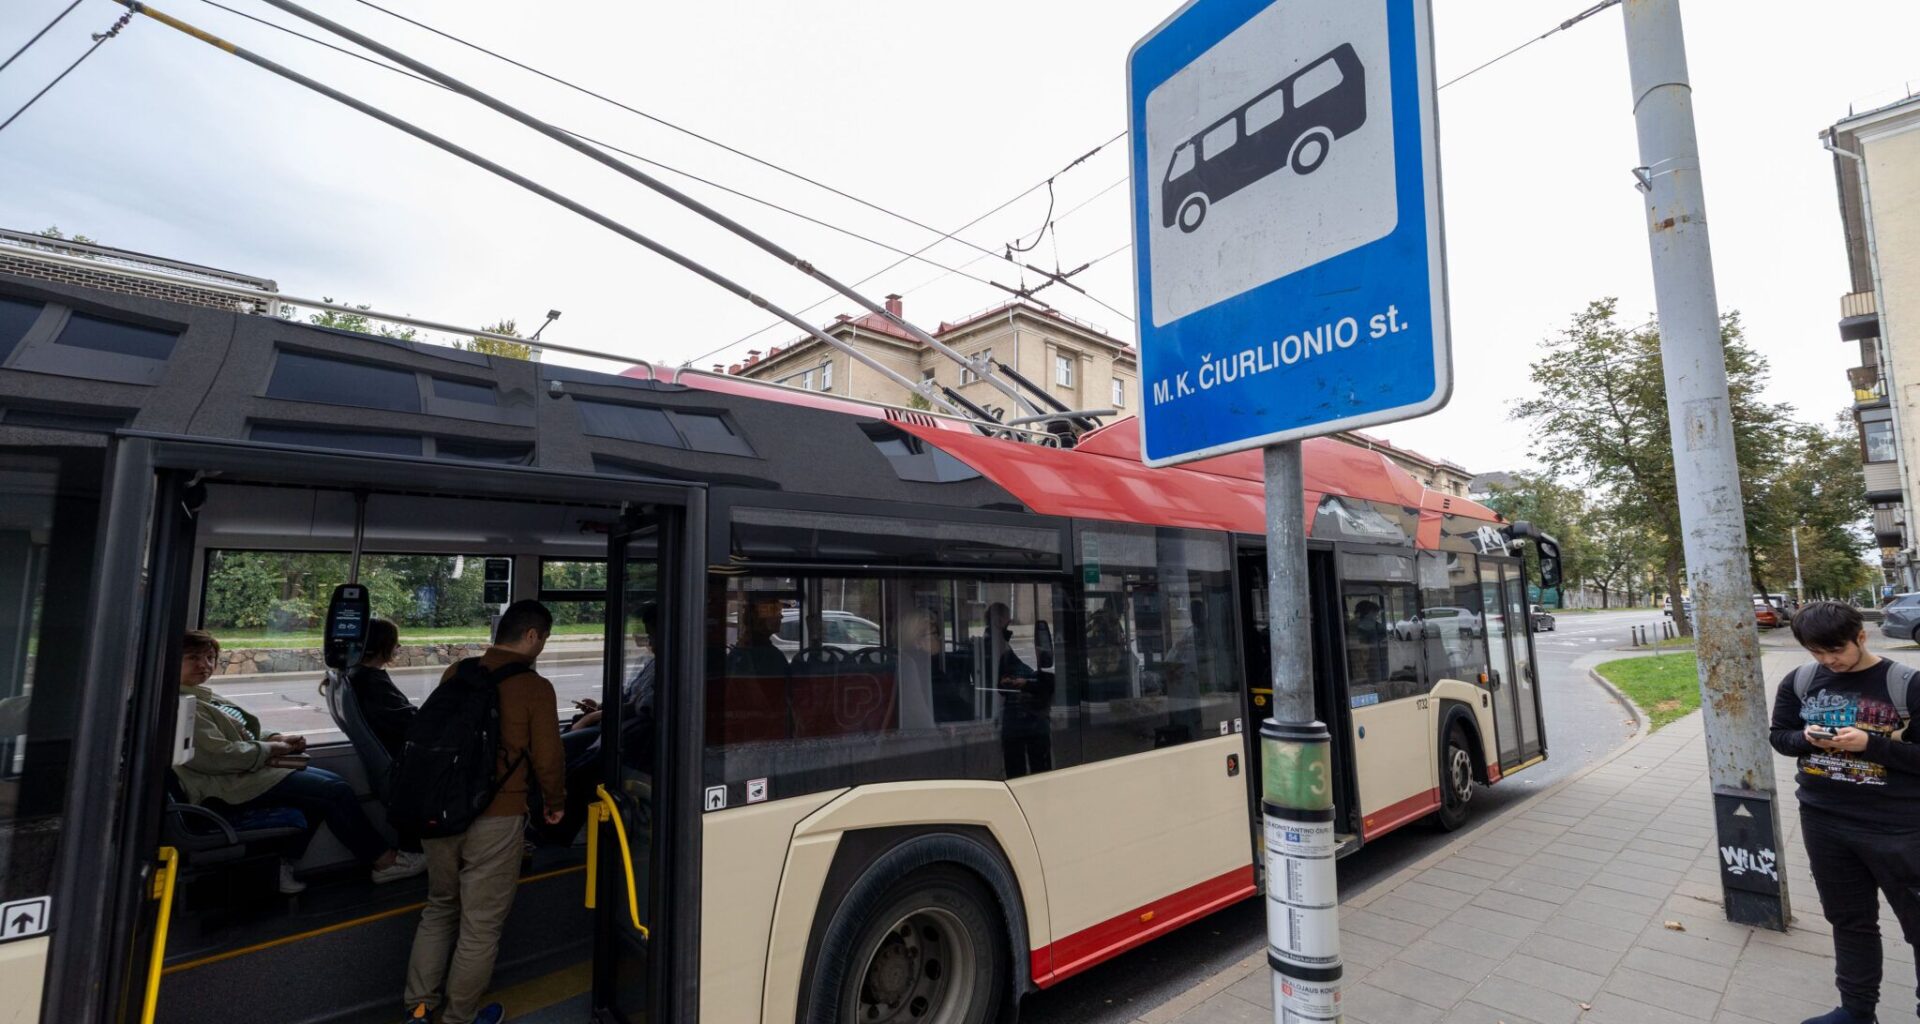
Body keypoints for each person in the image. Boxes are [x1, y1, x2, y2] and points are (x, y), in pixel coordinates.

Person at [403, 601, 566, 1024]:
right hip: (497, 815)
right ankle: (460, 1018)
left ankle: (419, 1009)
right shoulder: (534, 687)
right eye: (543, 639)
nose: (542, 647)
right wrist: (555, 802)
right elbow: (548, 758)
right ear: (532, 636)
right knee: (480, 926)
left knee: (439, 907)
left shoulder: (457, 672)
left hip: (438, 811)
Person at [173, 630, 425, 895]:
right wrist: (271, 748)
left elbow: (245, 728)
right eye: (193, 658)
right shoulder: (185, 705)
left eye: (210, 658)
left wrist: (275, 737)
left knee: (328, 785)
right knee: (334, 792)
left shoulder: (203, 696)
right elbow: (220, 755)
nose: (205, 665)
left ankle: (282, 863)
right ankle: (385, 862)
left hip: (243, 772)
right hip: (224, 786)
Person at [1767, 601, 1920, 1024]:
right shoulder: (1799, 681)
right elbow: (1780, 737)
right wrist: (1808, 738)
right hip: (1824, 821)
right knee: (1849, 920)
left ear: (1861, 637)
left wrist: (1870, 745)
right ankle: (1856, 1012)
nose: (1828, 661)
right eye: (1817, 652)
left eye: (1835, 650)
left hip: (1899, 828)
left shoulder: (1907, 684)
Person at [989, 602, 1052, 778]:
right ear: (999, 621)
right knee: (1033, 770)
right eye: (1007, 620)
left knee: (1020, 769)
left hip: (1020, 721)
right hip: (1025, 721)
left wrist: (1022, 684)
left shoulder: (1003, 648)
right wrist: (1021, 684)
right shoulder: (1002, 649)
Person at [345, 618, 414, 760]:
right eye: (395, 641)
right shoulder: (372, 683)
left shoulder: (355, 674)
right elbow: (410, 723)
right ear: (383, 645)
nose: (398, 645)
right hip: (404, 757)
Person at [727, 594, 790, 677]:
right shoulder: (768, 656)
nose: (781, 616)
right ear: (757, 619)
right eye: (774, 611)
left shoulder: (741, 651)